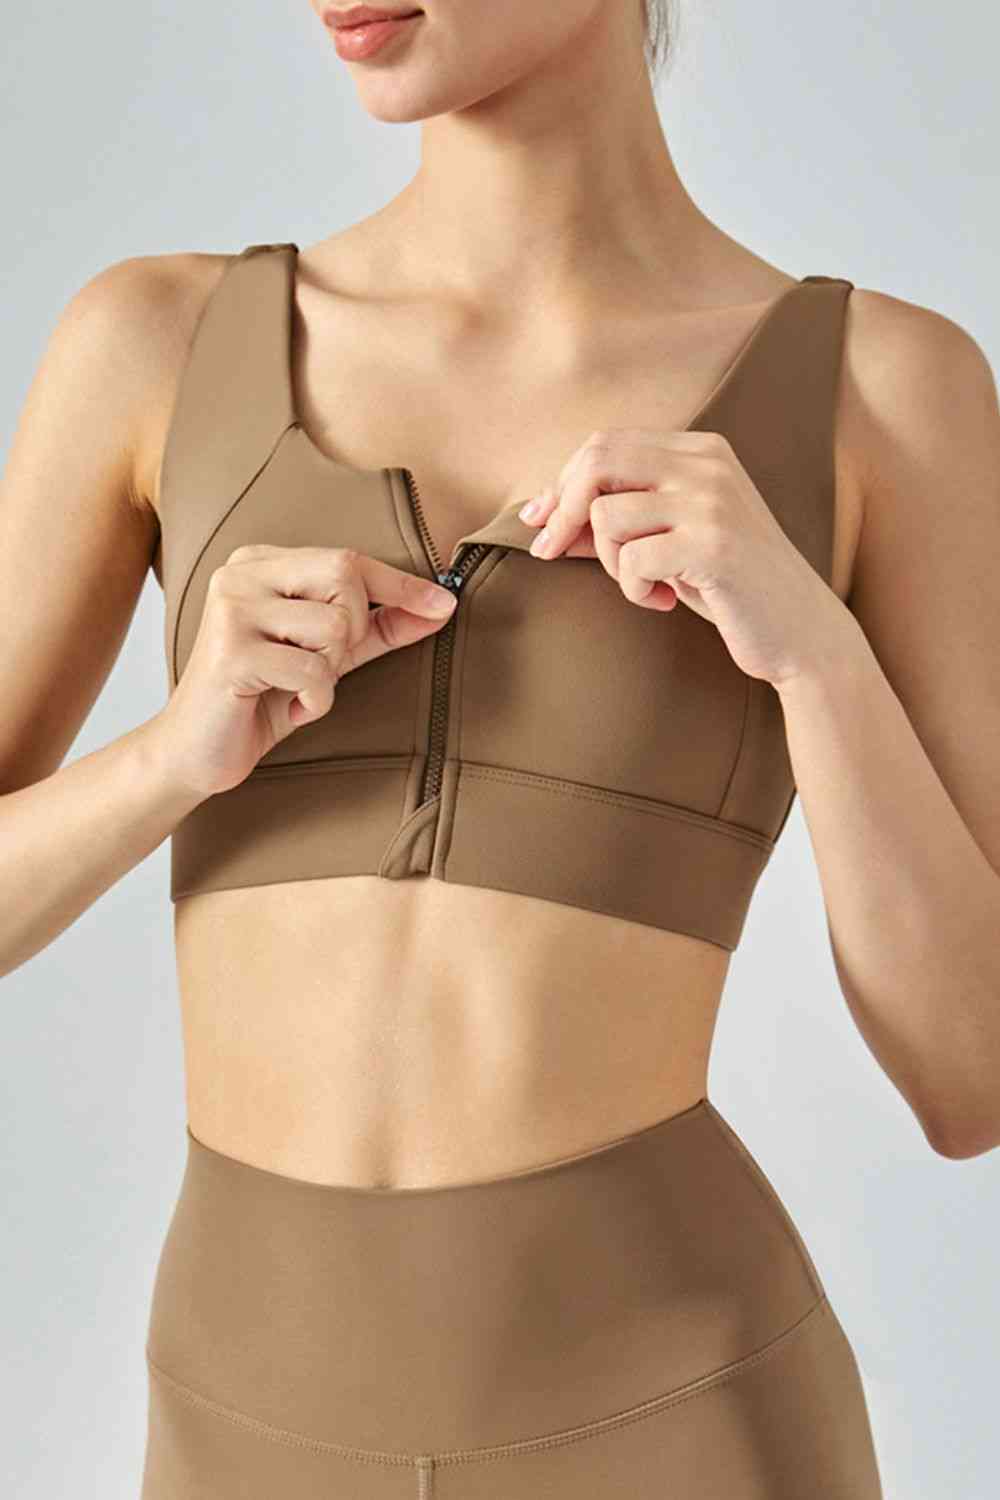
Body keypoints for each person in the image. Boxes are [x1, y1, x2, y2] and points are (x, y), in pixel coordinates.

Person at [3, 2, 999, 1495]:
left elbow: (973, 1080)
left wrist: (815, 653)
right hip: (240, 1432)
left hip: (682, 1419)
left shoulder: (883, 392)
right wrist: (169, 759)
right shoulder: (153, 341)